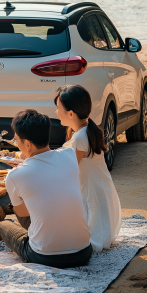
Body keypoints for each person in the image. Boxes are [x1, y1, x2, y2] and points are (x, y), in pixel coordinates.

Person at [0, 109, 92, 268]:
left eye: (17, 140)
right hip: (83, 253)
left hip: (45, 256)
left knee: (3, 225)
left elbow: (22, 213)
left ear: (27, 144)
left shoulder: (14, 176)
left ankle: (41, 237)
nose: (16, 144)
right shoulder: (69, 154)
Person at [54, 84, 121, 252]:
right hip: (100, 186)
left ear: (70, 113)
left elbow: (67, 168)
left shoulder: (80, 138)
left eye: (58, 108)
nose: (56, 112)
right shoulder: (88, 129)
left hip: (92, 189)